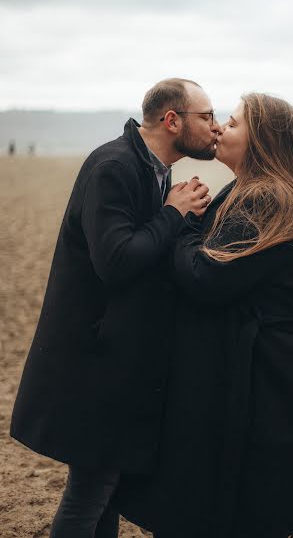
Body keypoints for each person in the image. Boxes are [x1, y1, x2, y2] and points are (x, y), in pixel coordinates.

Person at [114, 93, 293, 538]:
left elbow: (206, 277)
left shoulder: (266, 198)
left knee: (266, 505)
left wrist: (178, 222)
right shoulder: (249, 191)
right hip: (271, 370)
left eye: (233, 124)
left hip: (272, 377)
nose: (219, 129)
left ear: (262, 142)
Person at [10, 78, 220, 538]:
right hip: (93, 366)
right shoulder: (114, 166)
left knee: (101, 490)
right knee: (90, 493)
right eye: (206, 117)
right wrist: (174, 212)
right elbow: (117, 261)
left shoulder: (151, 169)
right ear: (172, 120)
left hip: (113, 362)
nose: (216, 127)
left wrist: (178, 215)